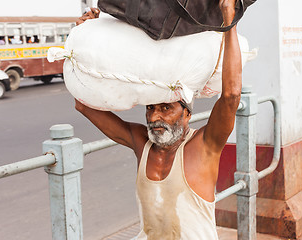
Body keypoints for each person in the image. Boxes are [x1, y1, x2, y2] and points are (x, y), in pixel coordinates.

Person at [75, 0, 242, 239]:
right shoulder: (140, 142)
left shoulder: (205, 145)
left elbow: (231, 95)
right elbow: (83, 103)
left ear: (187, 113)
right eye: (151, 108)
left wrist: (229, 18)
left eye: (166, 108)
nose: (155, 117)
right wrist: (83, 37)